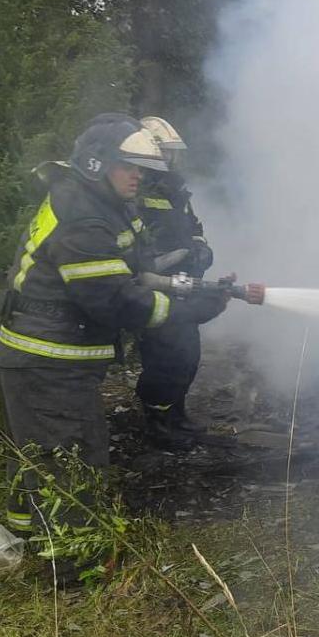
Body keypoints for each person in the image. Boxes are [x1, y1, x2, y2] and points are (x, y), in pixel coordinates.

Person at [0, 113, 228, 538]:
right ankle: (71, 565)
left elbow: (136, 271)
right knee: (72, 457)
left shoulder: (107, 206)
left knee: (38, 454)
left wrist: (195, 288)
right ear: (96, 163)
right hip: (47, 359)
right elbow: (113, 298)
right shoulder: (82, 215)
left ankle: (24, 539)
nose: (138, 176)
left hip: (46, 355)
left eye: (141, 167)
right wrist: (186, 312)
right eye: (129, 166)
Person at [133, 116, 215, 448]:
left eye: (172, 153)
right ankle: (157, 423)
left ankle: (176, 414)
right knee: (163, 359)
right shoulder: (137, 191)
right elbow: (139, 246)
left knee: (188, 353)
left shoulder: (176, 188)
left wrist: (201, 248)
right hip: (156, 288)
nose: (171, 160)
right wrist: (173, 257)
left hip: (183, 285)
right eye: (165, 153)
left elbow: (192, 225)